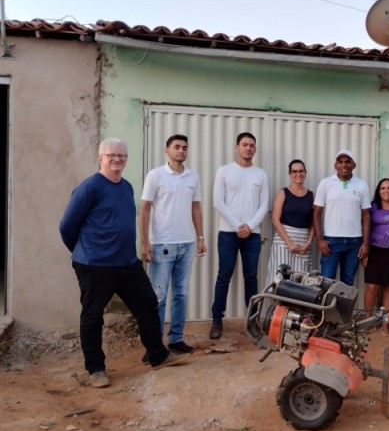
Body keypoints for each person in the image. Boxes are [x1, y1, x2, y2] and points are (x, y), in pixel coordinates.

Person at [59, 138, 190, 389]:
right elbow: (67, 226)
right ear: (101, 158)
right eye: (111, 155)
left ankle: (157, 355)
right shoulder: (89, 188)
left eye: (121, 155)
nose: (117, 159)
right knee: (92, 316)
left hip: (126, 263)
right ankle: (96, 368)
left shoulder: (126, 187)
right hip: (95, 266)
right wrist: (83, 252)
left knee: (148, 304)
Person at [139, 134, 206, 359]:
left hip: (186, 244)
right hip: (162, 245)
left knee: (181, 294)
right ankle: (154, 345)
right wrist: (145, 242)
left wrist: (200, 237)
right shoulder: (156, 175)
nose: (181, 150)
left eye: (185, 147)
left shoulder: (192, 177)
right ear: (166, 150)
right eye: (177, 147)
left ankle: (176, 338)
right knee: (157, 297)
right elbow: (145, 209)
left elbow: (196, 208)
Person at [209, 132, 269, 340]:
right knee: (223, 275)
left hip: (252, 235)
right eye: (245, 145)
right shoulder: (224, 171)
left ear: (255, 149)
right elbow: (218, 201)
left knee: (251, 277)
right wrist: (238, 226)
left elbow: (264, 205)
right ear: (237, 147)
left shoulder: (260, 174)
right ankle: (217, 320)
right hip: (228, 232)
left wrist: (250, 227)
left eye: (252, 145)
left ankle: (252, 321)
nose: (248, 148)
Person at [313, 149, 371, 286]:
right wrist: (320, 240)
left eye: (347, 162)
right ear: (335, 165)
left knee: (347, 284)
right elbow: (316, 213)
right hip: (331, 241)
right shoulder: (326, 183)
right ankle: (324, 309)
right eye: (340, 162)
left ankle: (342, 309)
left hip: (354, 242)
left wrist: (365, 243)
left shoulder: (362, 185)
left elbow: (367, 215)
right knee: (326, 282)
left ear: (354, 165)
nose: (344, 165)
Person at [362, 178, 389, 336]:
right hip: (374, 250)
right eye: (383, 188)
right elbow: (364, 227)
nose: (386, 191)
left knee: (388, 286)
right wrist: (364, 251)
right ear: (378, 191)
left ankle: (385, 323)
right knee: (372, 286)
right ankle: (367, 320)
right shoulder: (372, 207)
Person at [265, 159, 315, 285]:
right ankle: (276, 305)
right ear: (290, 174)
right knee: (279, 281)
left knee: (301, 283)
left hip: (303, 245)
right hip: (283, 243)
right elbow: (275, 220)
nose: (298, 174)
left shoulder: (311, 195)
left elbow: (315, 223)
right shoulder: (283, 193)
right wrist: (289, 242)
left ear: (305, 173)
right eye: (294, 171)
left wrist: (309, 243)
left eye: (301, 171)